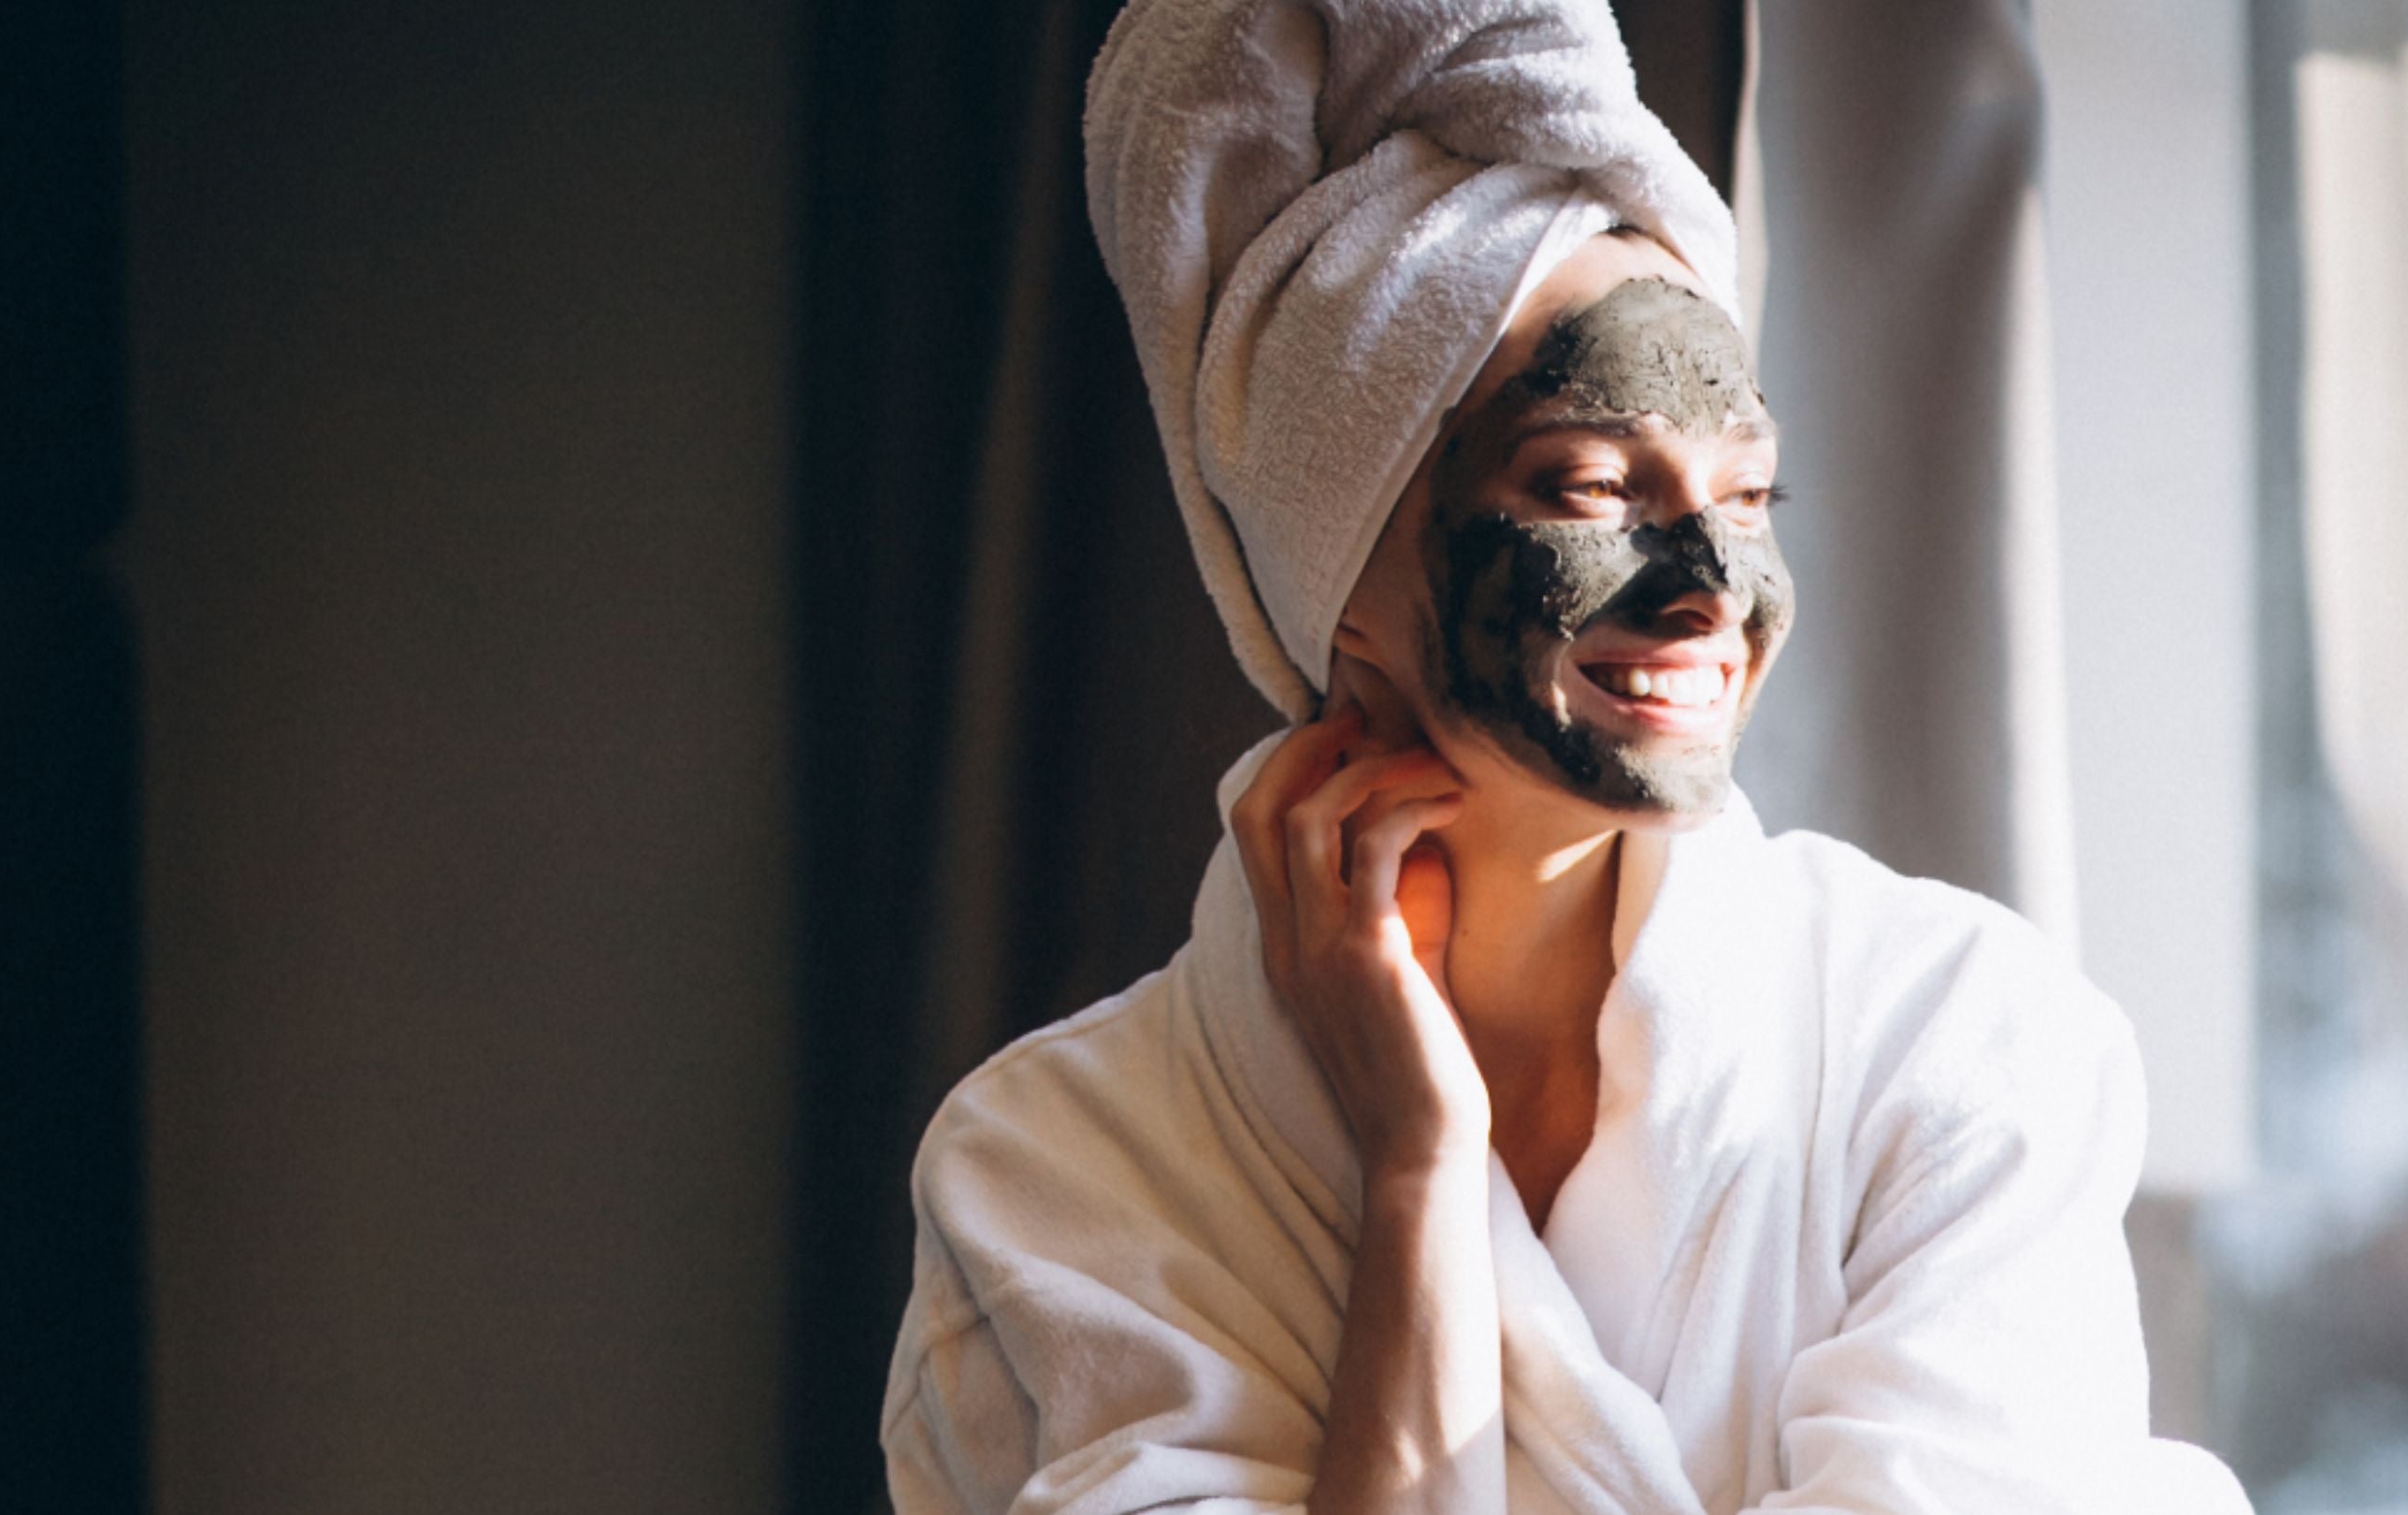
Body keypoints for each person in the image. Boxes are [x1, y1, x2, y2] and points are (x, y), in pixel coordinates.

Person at [881, 2, 2253, 1510]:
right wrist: (1422, 1166)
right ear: (1339, 575)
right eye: (1590, 486)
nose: (1709, 587)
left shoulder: (1951, 1039)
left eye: (1747, 496)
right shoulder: (1058, 1169)